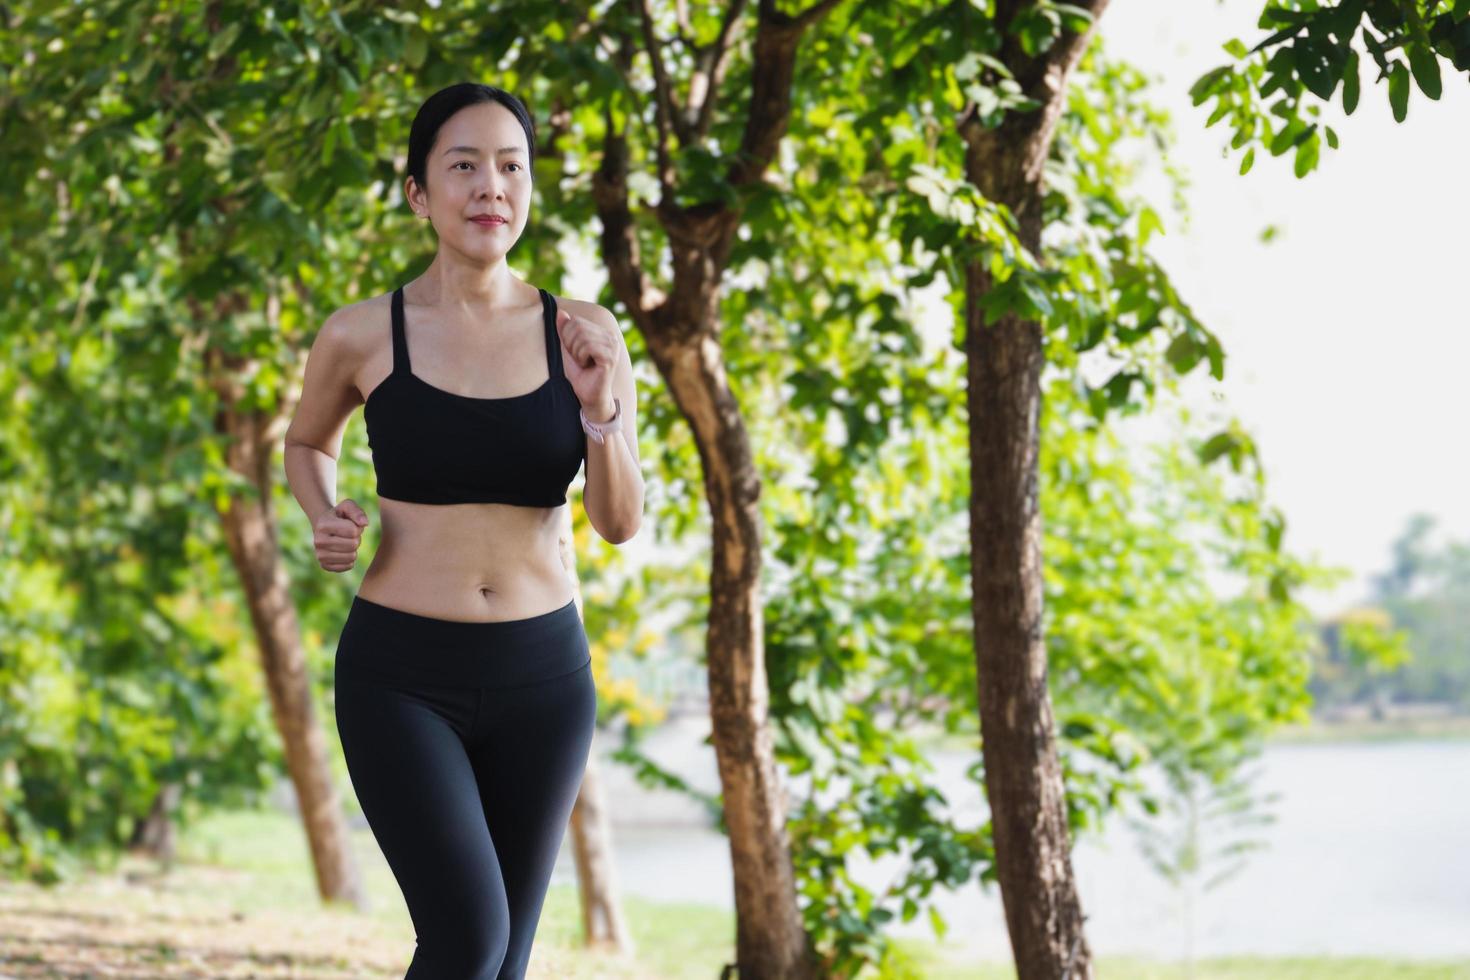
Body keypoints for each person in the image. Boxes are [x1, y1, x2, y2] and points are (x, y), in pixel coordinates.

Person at [281, 81, 644, 979]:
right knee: (468, 942)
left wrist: (600, 413)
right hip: (401, 679)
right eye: (464, 165)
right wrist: (326, 515)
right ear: (418, 192)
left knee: (505, 962)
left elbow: (619, 522)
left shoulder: (586, 334)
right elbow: (304, 442)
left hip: (544, 681)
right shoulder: (362, 333)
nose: (492, 185)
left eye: (511, 166)